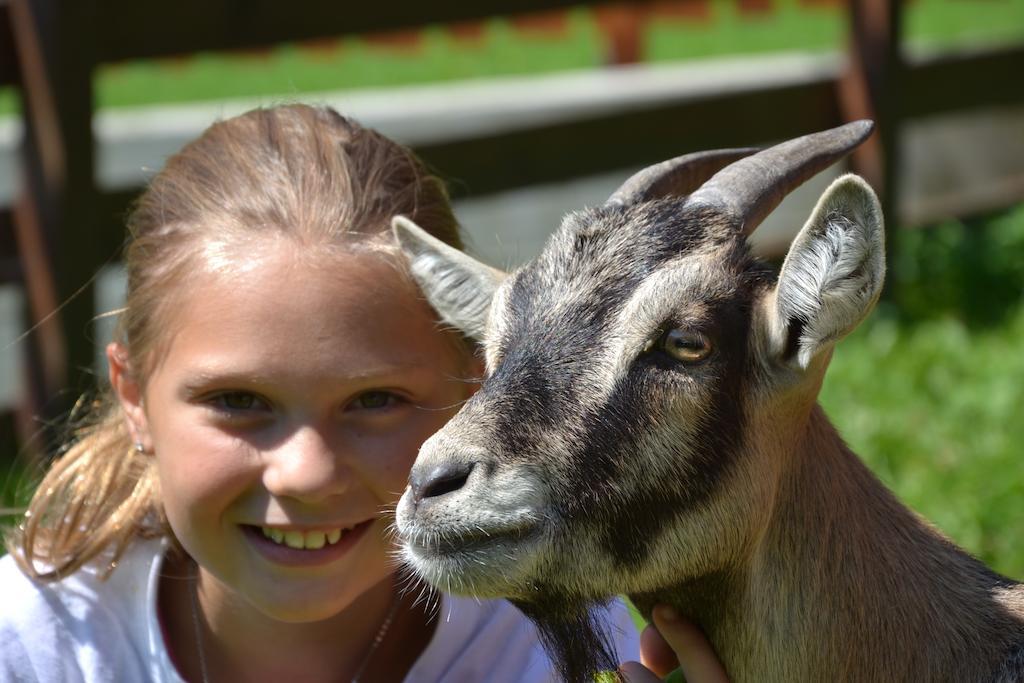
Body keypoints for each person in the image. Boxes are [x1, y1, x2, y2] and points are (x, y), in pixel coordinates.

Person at [0, 102, 725, 682]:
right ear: (133, 396)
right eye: (238, 401)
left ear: (476, 391)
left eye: (375, 400)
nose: (307, 473)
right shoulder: (32, 649)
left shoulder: (561, 650)